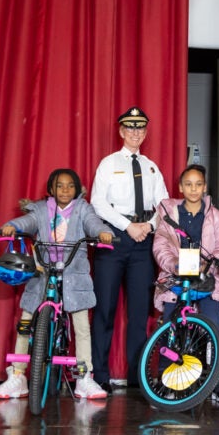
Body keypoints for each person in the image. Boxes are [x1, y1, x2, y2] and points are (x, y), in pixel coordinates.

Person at [0, 168, 114, 400]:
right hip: (42, 272)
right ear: (51, 189)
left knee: (81, 326)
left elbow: (93, 223)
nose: (65, 190)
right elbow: (26, 221)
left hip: (74, 274)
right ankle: (18, 376)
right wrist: (13, 227)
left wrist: (103, 233)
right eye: (59, 186)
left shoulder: (82, 209)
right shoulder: (40, 209)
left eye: (69, 186)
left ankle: (84, 378)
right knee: (26, 321)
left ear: (77, 189)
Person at [89, 106, 169, 392]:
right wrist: (127, 226)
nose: (136, 133)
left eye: (140, 128)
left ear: (145, 133)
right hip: (114, 240)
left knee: (138, 313)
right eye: (130, 128)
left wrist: (147, 226)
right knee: (104, 309)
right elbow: (98, 203)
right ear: (121, 131)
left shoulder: (151, 167)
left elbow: (164, 204)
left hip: (143, 242)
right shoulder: (108, 164)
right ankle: (99, 376)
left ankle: (138, 378)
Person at [152, 165, 219, 405]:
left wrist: (210, 266)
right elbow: (161, 244)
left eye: (198, 184)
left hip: (206, 279)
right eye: (188, 184)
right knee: (170, 326)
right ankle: (166, 379)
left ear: (205, 187)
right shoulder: (169, 214)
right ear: (180, 187)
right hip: (177, 278)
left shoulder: (215, 215)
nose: (193, 189)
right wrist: (174, 265)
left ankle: (218, 381)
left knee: (213, 325)